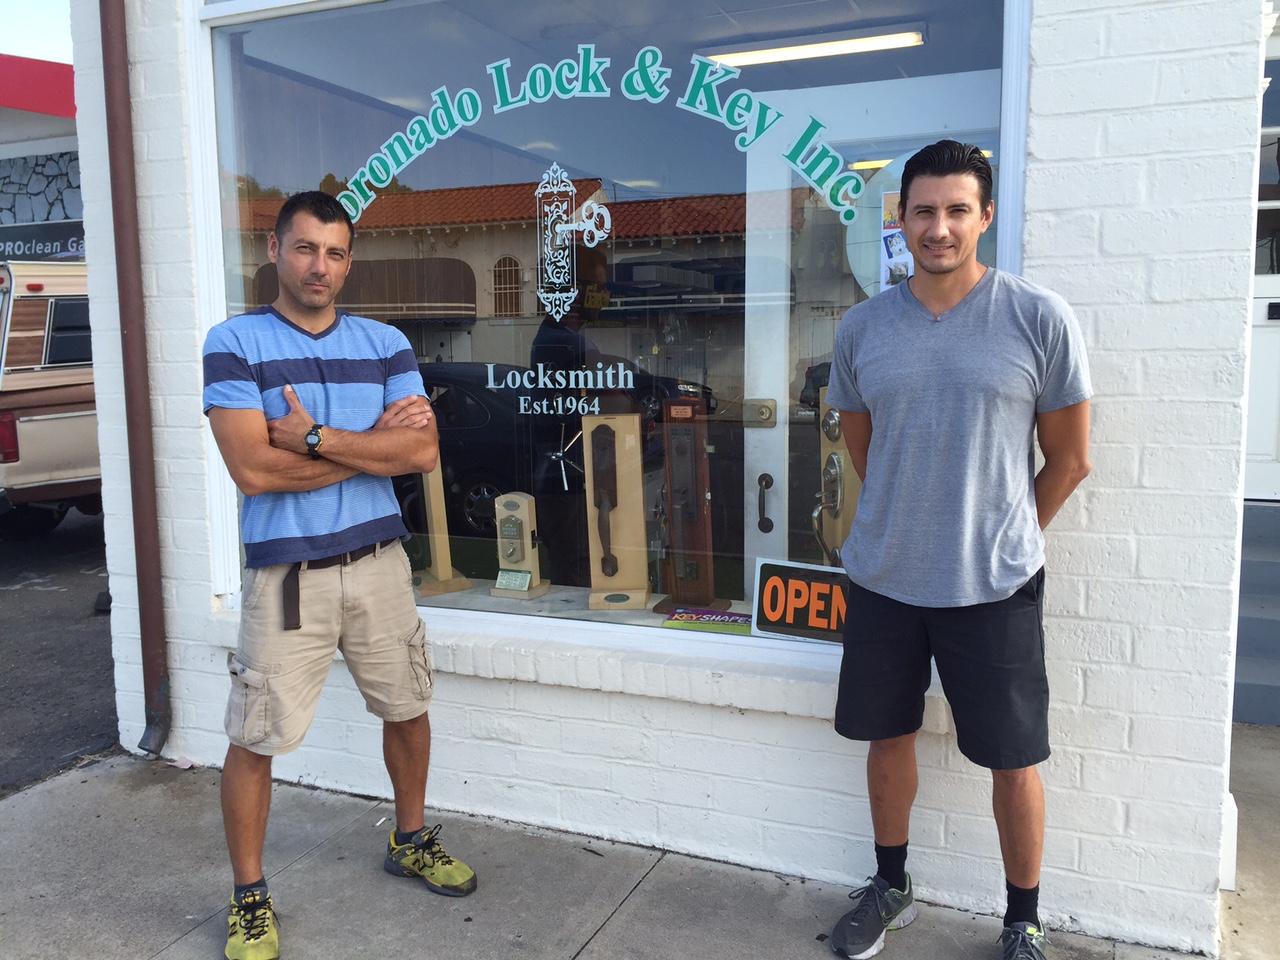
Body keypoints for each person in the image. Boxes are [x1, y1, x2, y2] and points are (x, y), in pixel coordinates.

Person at [823, 141, 1091, 960]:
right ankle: (891, 885)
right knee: (888, 737)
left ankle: (1023, 921)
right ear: (900, 220)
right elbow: (865, 450)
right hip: (885, 577)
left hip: (995, 583)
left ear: (985, 216)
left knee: (1014, 759)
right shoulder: (863, 327)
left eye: (957, 210)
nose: (939, 227)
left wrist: (1006, 530)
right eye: (924, 211)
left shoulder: (1037, 318)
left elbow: (1071, 459)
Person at [203, 191, 477, 960]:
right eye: (304, 248)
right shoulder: (234, 343)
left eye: (333, 252)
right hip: (288, 576)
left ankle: (410, 839)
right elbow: (254, 471)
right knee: (256, 736)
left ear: (348, 262)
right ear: (274, 251)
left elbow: (421, 454)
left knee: (408, 706)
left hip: (380, 565)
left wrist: (315, 438)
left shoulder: (386, 344)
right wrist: (367, 446)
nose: (318, 266)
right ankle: (250, 896)